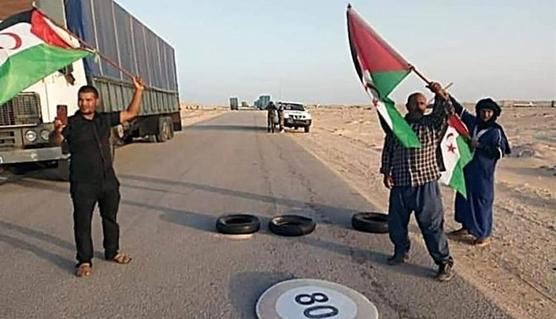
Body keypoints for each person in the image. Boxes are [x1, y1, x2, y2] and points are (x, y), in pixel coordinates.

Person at [51, 76, 145, 277]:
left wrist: (138, 91)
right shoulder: (72, 123)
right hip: (83, 184)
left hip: (108, 181)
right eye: (81, 100)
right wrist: (57, 130)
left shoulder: (103, 120)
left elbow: (131, 112)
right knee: (82, 222)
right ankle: (84, 261)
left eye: (88, 100)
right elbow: (57, 141)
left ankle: (113, 251)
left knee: (110, 218)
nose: (84, 103)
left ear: (96, 101)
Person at [380, 82, 455, 281]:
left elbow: (448, 112)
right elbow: (388, 149)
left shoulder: (432, 125)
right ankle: (400, 251)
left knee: (431, 225)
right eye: (415, 103)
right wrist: (386, 171)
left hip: (426, 184)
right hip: (401, 183)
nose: (419, 106)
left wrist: (440, 94)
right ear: (407, 106)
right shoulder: (398, 127)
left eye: (422, 103)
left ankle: (443, 262)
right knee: (396, 223)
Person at [449, 98, 510, 247]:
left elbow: (500, 151)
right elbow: (460, 110)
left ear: (494, 113)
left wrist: (480, 146)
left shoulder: (496, 131)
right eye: (483, 111)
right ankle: (466, 226)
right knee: (464, 197)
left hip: (483, 173)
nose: (485, 114)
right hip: (467, 168)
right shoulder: (474, 123)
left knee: (482, 201)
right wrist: (444, 94)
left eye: (489, 112)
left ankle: (483, 234)